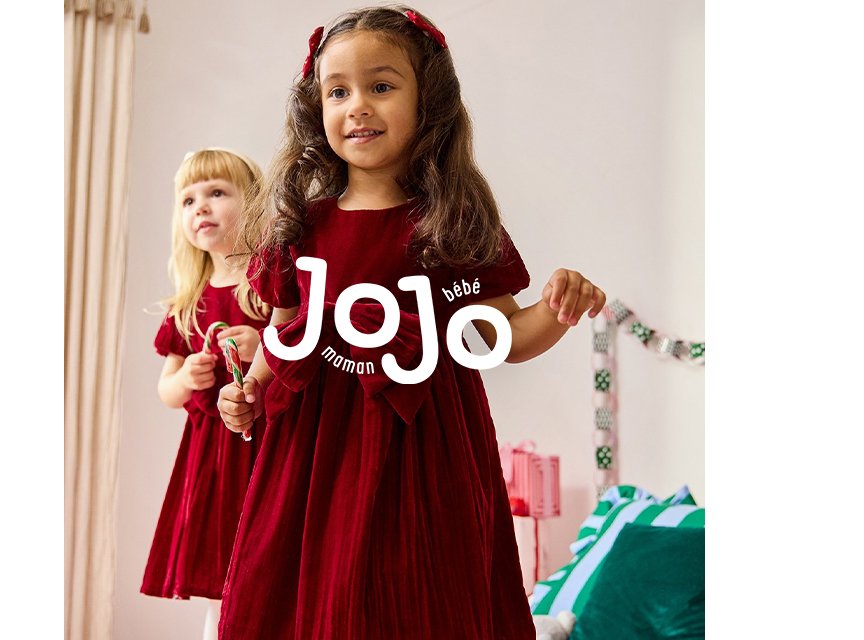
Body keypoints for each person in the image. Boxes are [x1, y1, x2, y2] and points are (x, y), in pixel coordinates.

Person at [217, 7, 606, 638]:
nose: (357, 106)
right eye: (337, 91)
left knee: (420, 593)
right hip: (315, 452)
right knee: (315, 594)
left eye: (381, 86)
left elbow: (499, 335)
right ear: (315, 110)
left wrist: (556, 310)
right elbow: (284, 335)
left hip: (425, 446)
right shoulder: (297, 225)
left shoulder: (450, 225)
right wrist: (251, 390)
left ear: (429, 103)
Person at [141, 148, 271, 640]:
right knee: (223, 573)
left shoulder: (268, 288)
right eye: (188, 199)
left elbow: (301, 352)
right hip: (212, 459)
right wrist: (186, 380)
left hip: (264, 447)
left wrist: (263, 345)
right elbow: (166, 391)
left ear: (253, 203)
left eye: (217, 193)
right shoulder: (189, 304)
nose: (201, 207)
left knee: (265, 563)